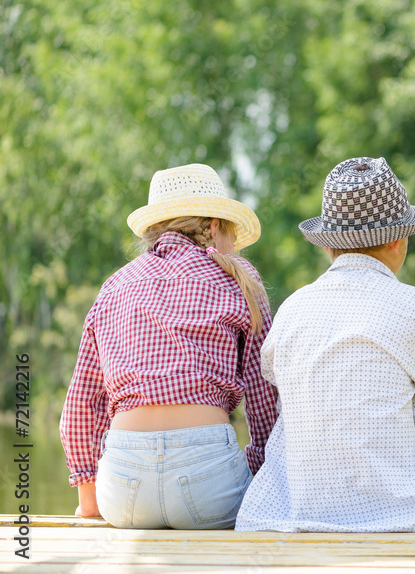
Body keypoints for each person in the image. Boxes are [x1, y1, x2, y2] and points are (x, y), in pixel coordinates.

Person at [235, 157, 415, 533]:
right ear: (398, 238)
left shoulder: (293, 309)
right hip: (404, 515)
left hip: (293, 511)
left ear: (329, 246)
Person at [59, 163, 279, 529]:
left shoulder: (115, 285)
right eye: (231, 236)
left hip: (123, 491)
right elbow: (264, 398)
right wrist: (259, 472)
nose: (233, 248)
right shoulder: (237, 277)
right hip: (208, 479)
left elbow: (82, 403)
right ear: (213, 226)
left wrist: (89, 499)